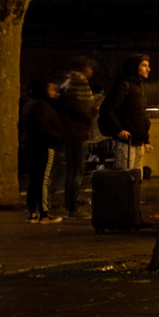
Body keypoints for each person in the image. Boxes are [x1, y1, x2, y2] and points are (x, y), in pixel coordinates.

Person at [56, 60, 99, 216]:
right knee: (77, 170)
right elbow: (82, 108)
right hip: (76, 131)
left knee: (72, 170)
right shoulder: (78, 83)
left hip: (71, 131)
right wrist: (92, 111)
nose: (91, 72)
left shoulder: (67, 83)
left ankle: (69, 204)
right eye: (90, 68)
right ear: (83, 68)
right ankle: (72, 207)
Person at [20, 79, 65, 223]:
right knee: (43, 179)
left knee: (34, 178)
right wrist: (58, 136)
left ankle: (32, 212)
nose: (54, 93)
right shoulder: (43, 107)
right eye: (51, 90)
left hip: (30, 145)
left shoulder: (29, 105)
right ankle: (44, 213)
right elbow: (43, 127)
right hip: (43, 145)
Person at [99, 55, 152, 172]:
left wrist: (146, 140)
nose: (148, 69)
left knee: (136, 179)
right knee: (125, 178)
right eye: (144, 65)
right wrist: (119, 129)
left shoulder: (140, 87)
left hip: (138, 142)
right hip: (125, 143)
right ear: (134, 67)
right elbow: (107, 109)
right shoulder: (123, 86)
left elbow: (140, 114)